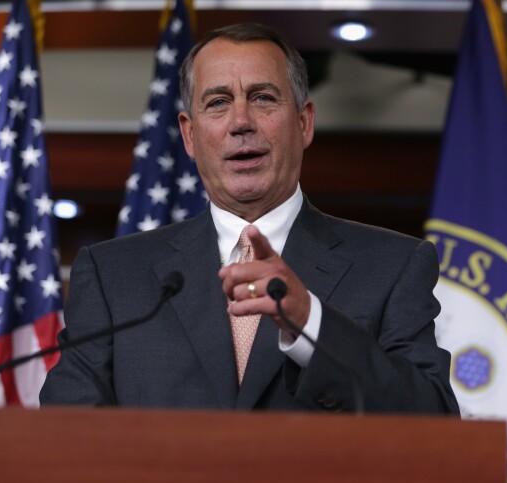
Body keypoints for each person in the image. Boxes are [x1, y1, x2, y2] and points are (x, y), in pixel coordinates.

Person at [40, 23, 458, 414]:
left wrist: (312, 322)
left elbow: (433, 419)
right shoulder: (113, 276)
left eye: (263, 97)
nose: (241, 122)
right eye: (218, 102)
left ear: (304, 122)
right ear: (189, 135)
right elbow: (64, 435)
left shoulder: (394, 265)